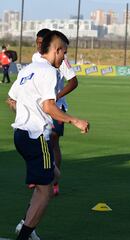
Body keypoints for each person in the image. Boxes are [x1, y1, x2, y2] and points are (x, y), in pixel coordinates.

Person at [7, 30, 89, 240]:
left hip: (20, 136)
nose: (64, 57)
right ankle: (25, 233)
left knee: (54, 176)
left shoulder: (28, 70)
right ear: (56, 49)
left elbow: (11, 99)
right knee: (46, 190)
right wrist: (74, 120)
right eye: (64, 52)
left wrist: (26, 111)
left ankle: (27, 224)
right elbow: (49, 106)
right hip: (37, 137)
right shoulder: (49, 72)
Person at [33, 28, 79, 196]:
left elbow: (74, 82)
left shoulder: (61, 60)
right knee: (37, 141)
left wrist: (56, 95)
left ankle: (55, 181)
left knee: (53, 142)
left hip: (57, 107)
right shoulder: (35, 58)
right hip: (40, 109)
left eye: (41, 43)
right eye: (37, 43)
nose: (39, 46)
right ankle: (39, 175)